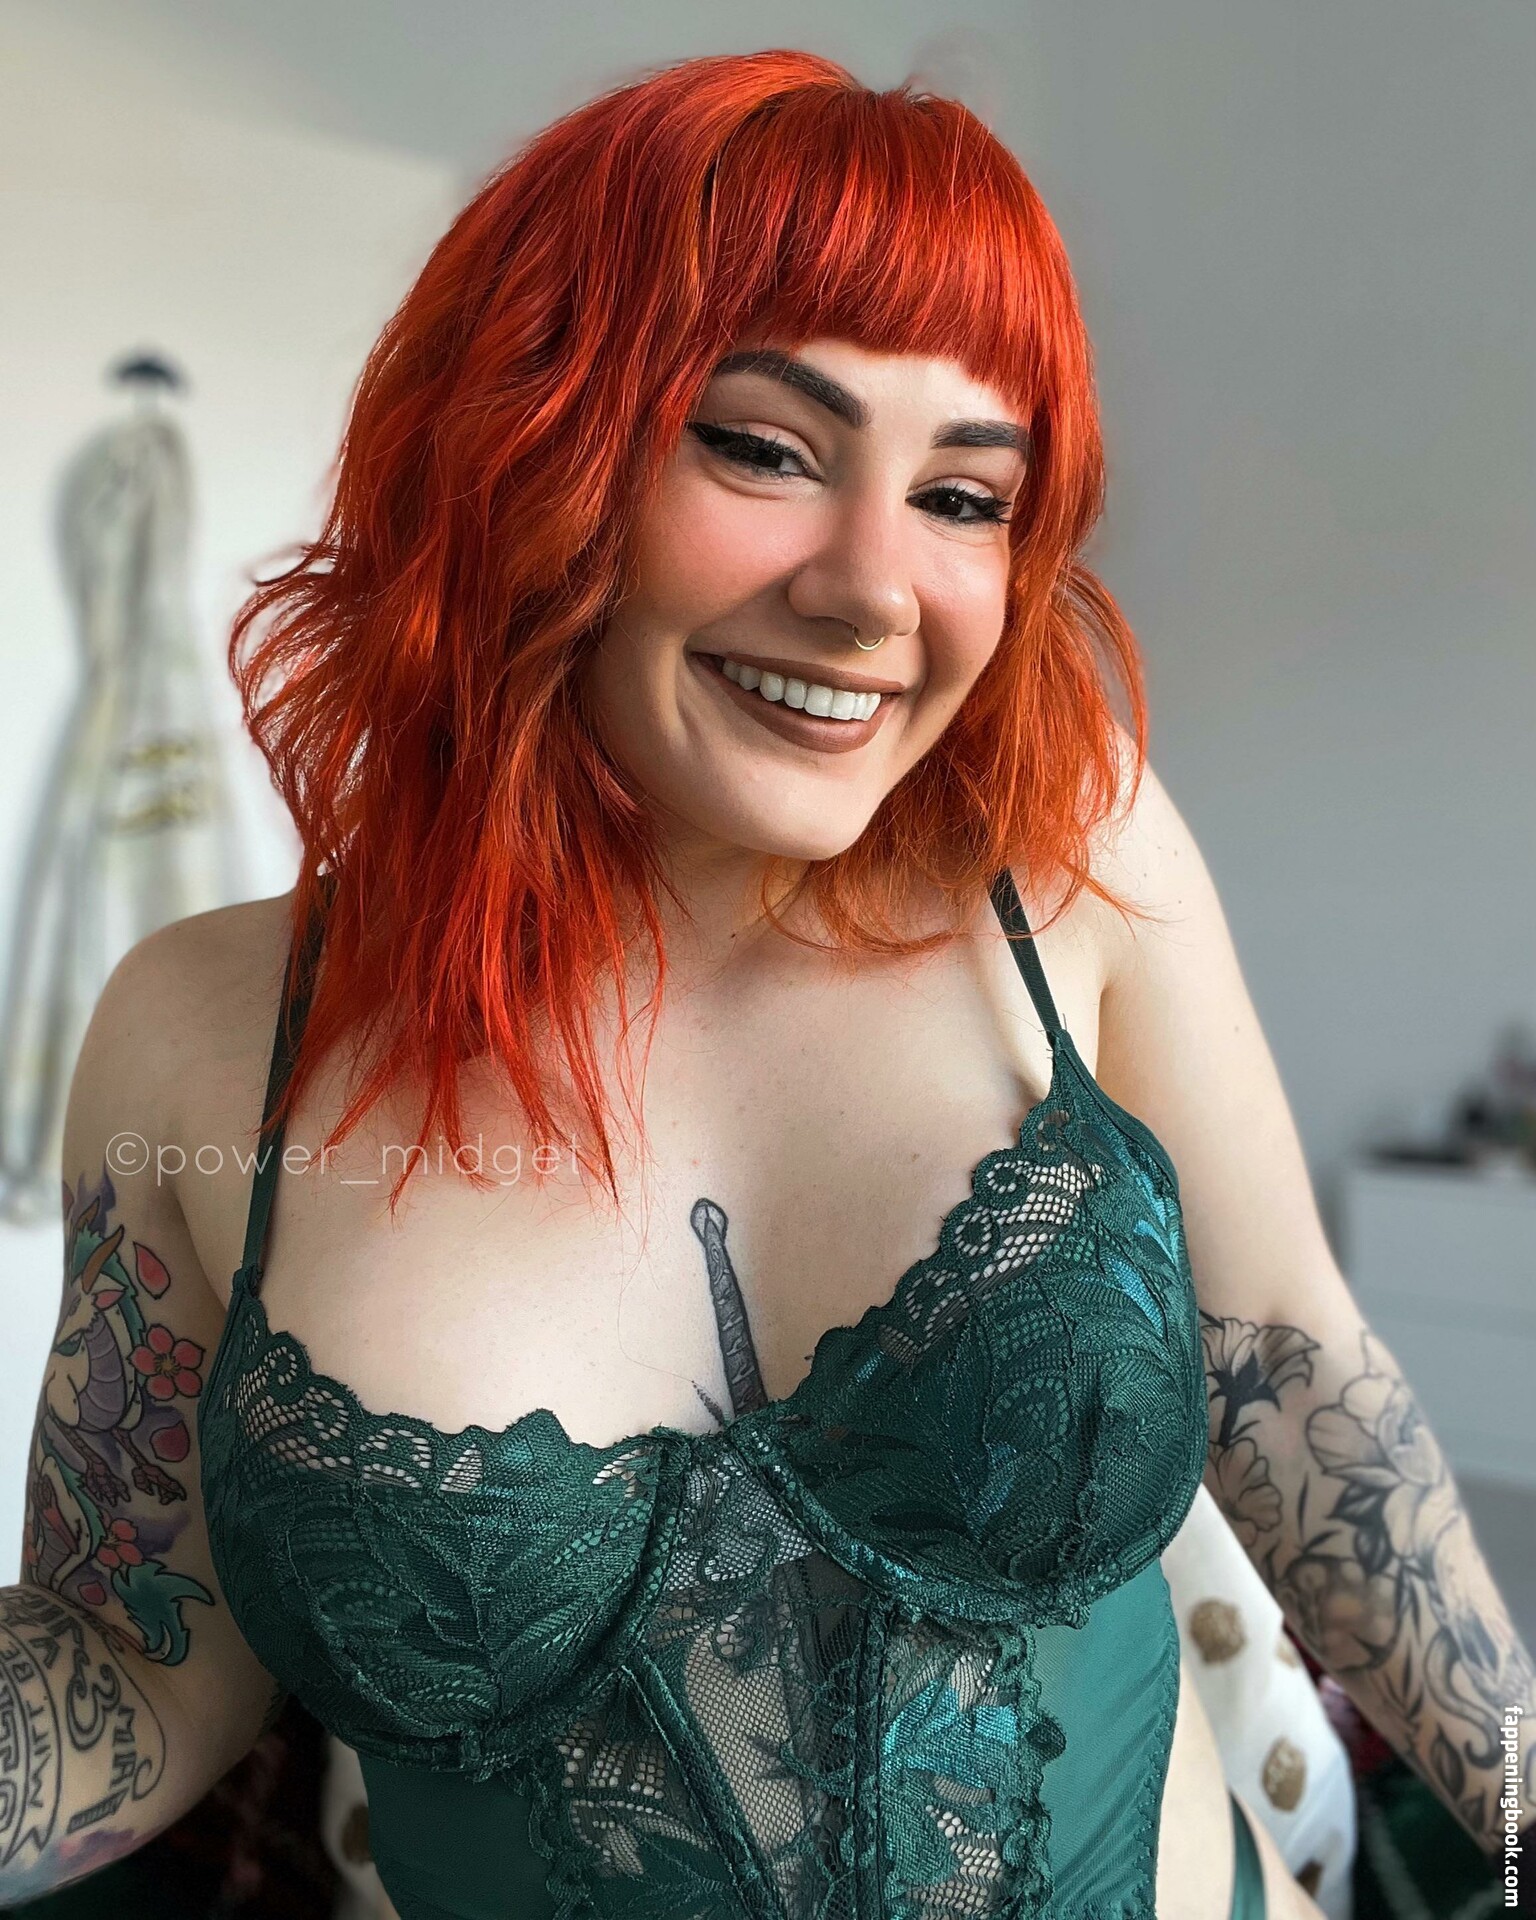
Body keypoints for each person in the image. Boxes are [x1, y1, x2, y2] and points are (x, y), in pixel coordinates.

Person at [5, 46, 1530, 1920]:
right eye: (765, 449)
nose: (876, 590)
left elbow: (1295, 1388)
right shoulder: (209, 1036)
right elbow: (137, 1655)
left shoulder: (1069, 856)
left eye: (965, 496)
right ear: (525, 446)